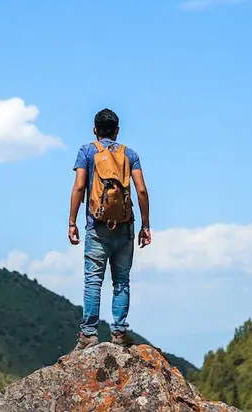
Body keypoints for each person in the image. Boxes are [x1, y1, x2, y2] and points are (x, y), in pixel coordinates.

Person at [68, 108, 151, 350]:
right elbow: (141, 190)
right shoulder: (130, 154)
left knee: (93, 281)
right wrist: (145, 225)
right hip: (124, 227)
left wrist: (72, 222)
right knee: (121, 281)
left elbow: (79, 187)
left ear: (95, 130)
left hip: (97, 226)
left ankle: (88, 335)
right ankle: (119, 333)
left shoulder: (87, 151)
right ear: (117, 131)